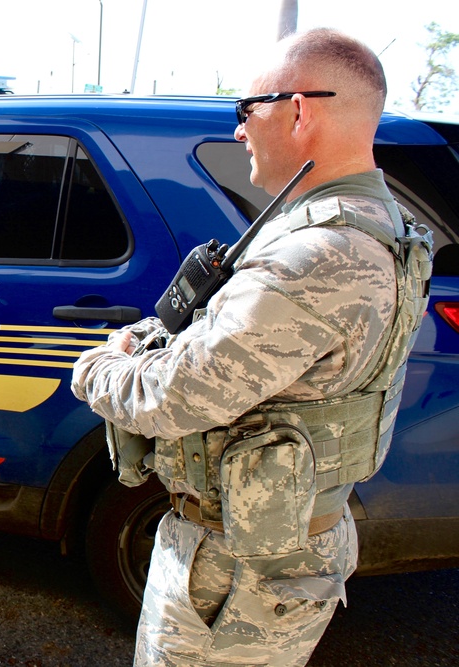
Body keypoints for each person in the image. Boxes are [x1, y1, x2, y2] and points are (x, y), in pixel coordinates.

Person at [71, 28, 432, 667]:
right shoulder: (382, 226)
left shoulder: (314, 256)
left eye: (247, 109)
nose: (238, 130)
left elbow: (169, 398)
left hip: (237, 567)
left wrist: (100, 362)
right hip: (281, 542)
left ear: (299, 110)